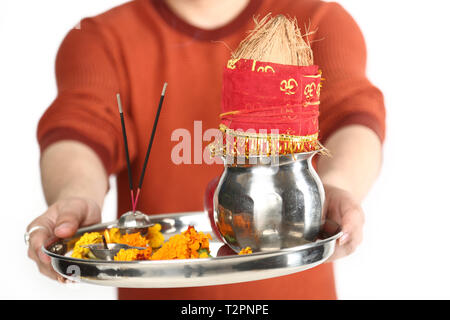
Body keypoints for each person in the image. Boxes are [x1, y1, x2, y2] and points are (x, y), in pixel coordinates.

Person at [26, 0, 385, 299]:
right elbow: (80, 130)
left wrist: (338, 186)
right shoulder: (100, 39)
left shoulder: (317, 21)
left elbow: (353, 119)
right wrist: (76, 194)